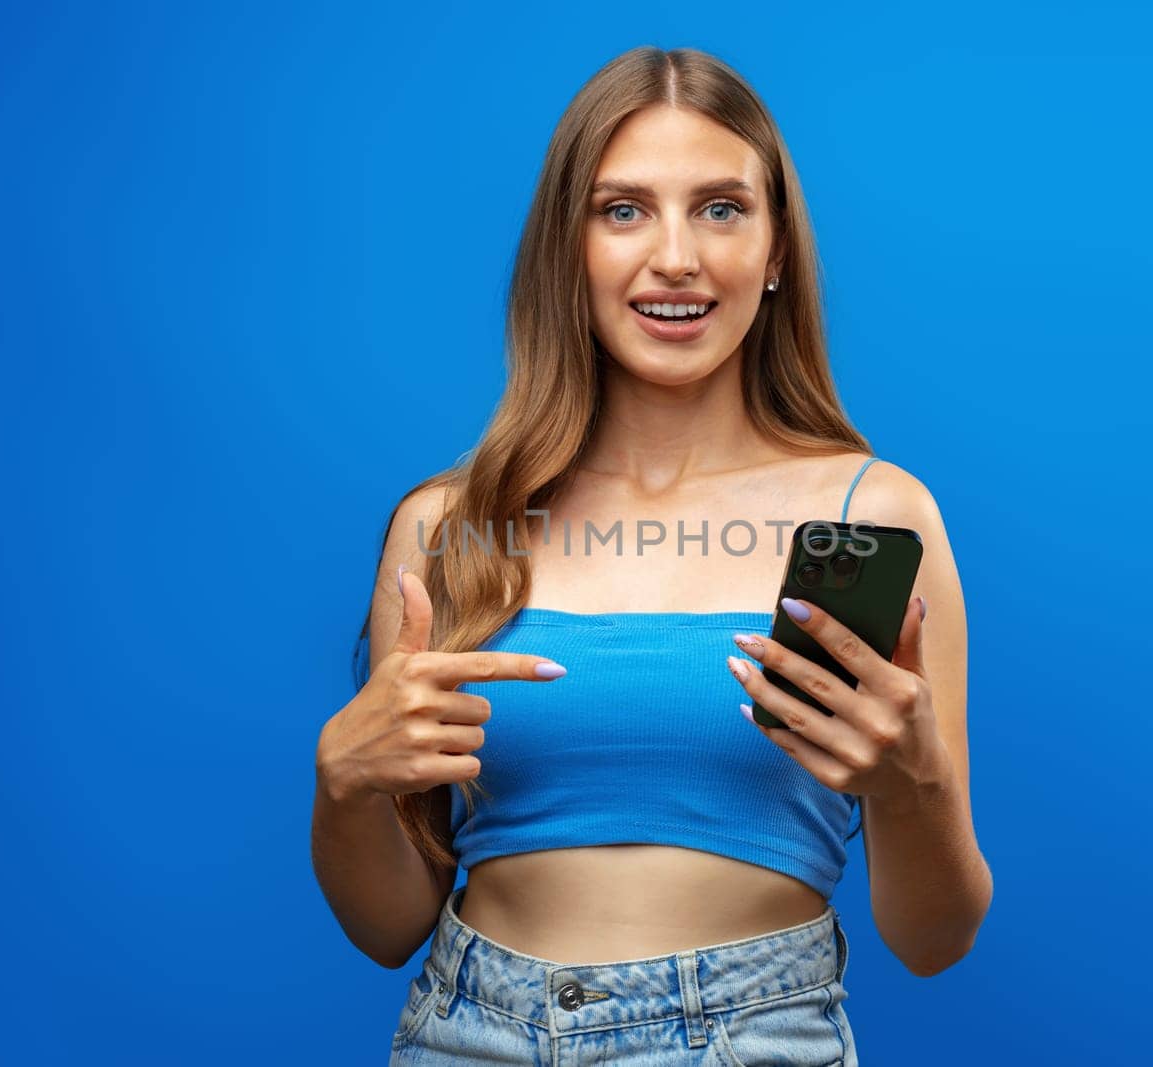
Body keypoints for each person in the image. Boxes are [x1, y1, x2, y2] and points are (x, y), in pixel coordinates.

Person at [311, 45, 992, 1065]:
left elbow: (934, 940)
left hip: (755, 1033)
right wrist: (343, 782)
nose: (675, 256)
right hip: (468, 1032)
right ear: (566, 250)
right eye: (622, 209)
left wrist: (913, 783)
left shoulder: (867, 516)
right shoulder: (451, 526)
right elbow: (385, 926)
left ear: (774, 254)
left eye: (720, 208)